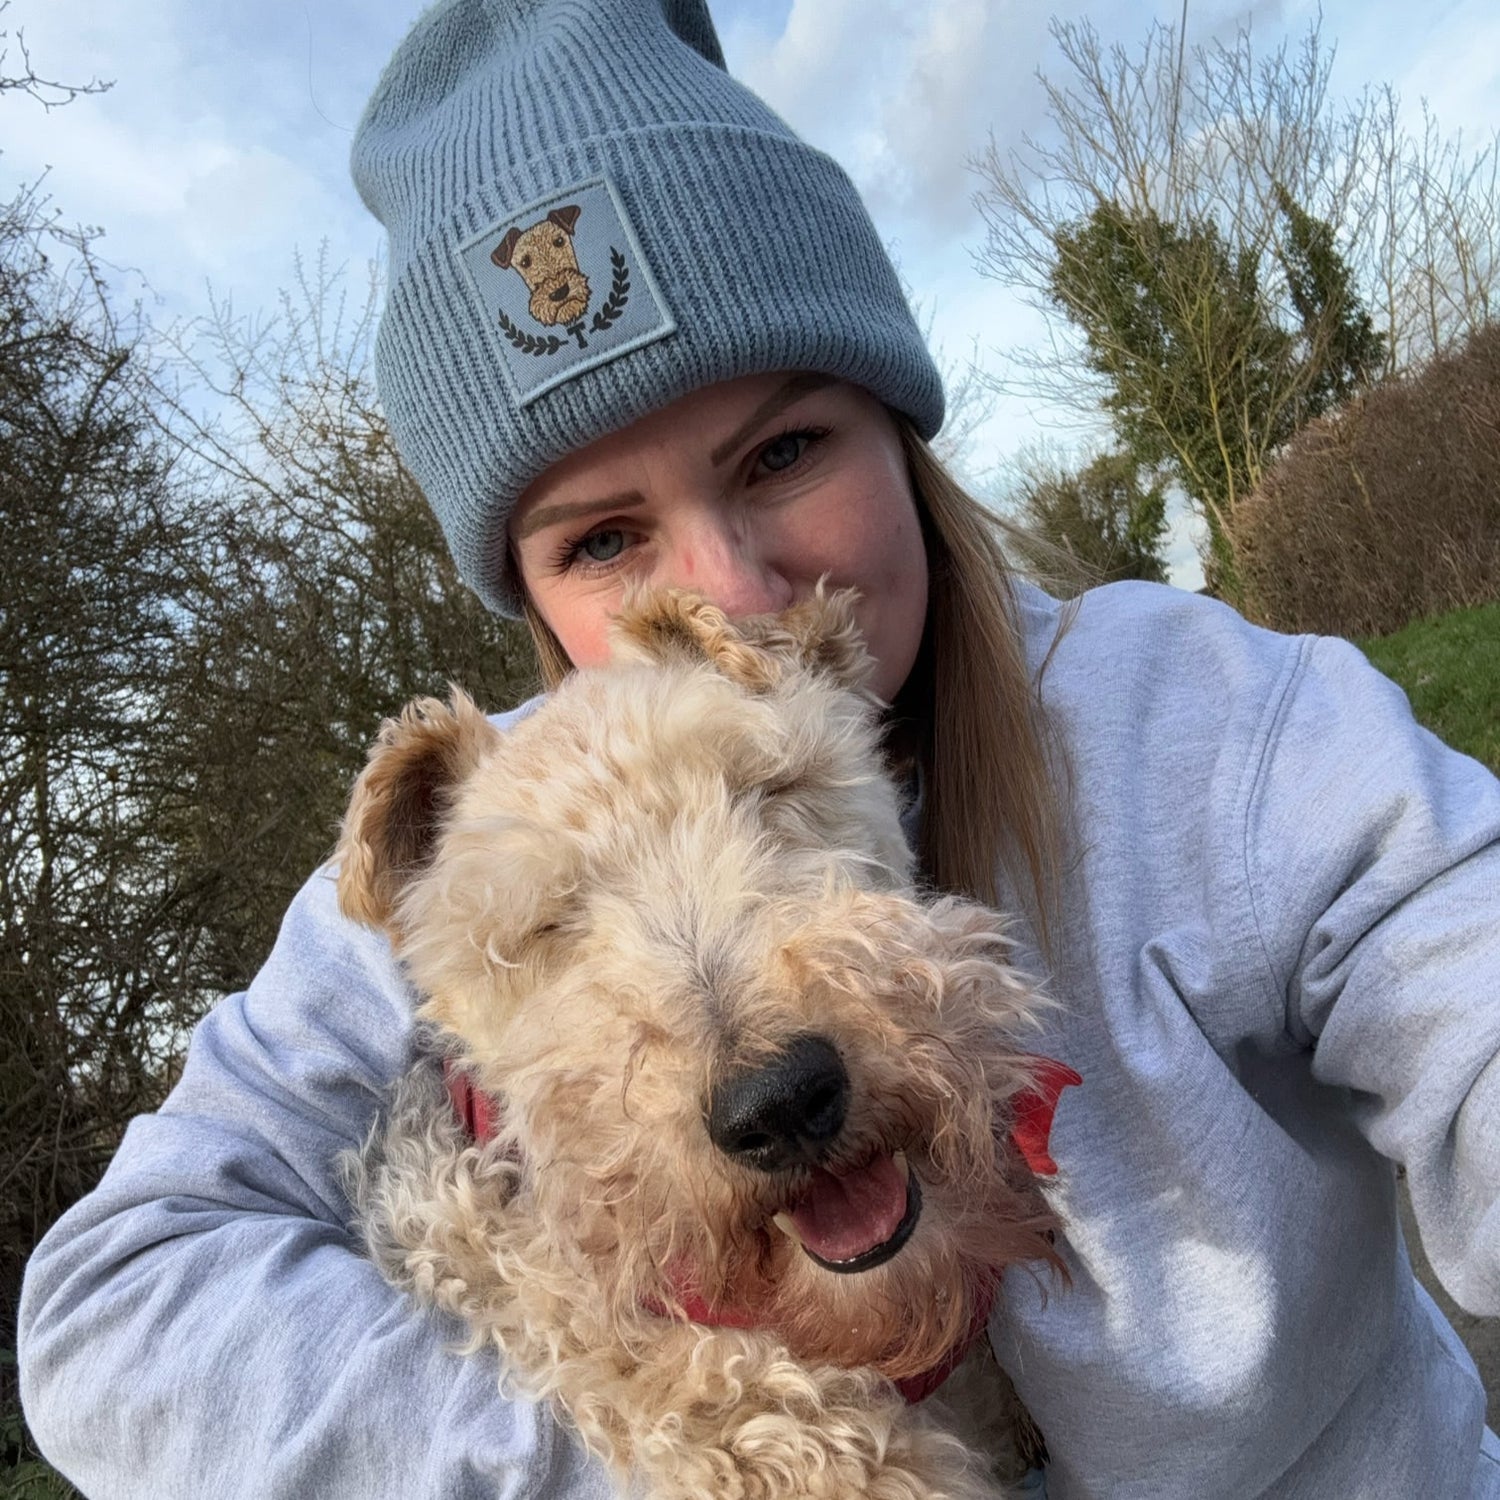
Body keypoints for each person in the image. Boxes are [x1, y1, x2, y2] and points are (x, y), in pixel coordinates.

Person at [17, 0, 1500, 1495]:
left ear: (897, 426)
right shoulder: (467, 871)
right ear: (526, 593)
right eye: (603, 539)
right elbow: (114, 1307)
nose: (728, 595)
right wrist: (673, 1464)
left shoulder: (1215, 732)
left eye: (784, 453)